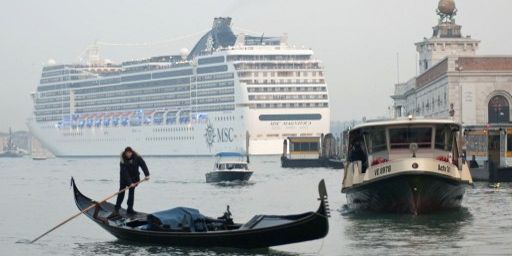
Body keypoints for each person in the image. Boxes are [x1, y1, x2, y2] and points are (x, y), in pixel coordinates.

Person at [111, 147, 150, 217]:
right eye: (127, 153)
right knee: (121, 192)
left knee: (131, 193)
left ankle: (130, 209)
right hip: (124, 178)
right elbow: (125, 173)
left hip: (134, 178)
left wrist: (147, 174)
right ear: (125, 153)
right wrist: (130, 183)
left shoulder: (137, 157)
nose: (128, 154)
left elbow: (143, 165)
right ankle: (116, 209)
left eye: (129, 153)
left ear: (132, 152)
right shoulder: (122, 160)